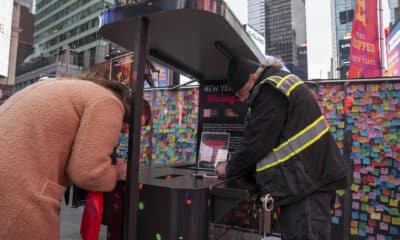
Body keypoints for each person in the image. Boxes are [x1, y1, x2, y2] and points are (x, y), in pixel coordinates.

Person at [215, 57, 350, 240]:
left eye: (242, 93)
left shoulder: (269, 90)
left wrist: (228, 168)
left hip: (306, 188)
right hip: (307, 183)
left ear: (253, 78)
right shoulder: (278, 83)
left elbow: (256, 142)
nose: (242, 99)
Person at [0, 75, 132, 239]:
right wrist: (118, 171)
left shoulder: (65, 87)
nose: (125, 132)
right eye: (127, 127)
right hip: (19, 195)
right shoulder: (109, 102)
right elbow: (88, 173)